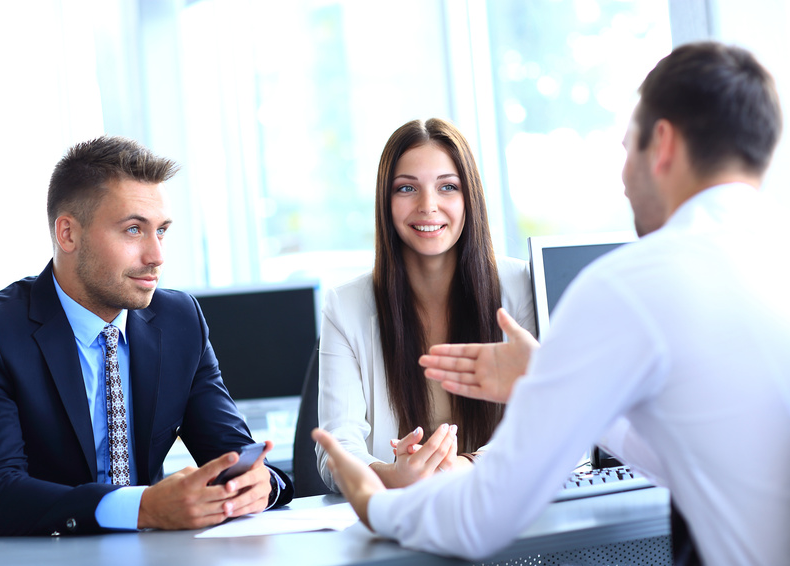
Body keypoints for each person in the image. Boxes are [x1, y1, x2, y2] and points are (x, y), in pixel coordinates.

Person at [313, 41, 790, 565]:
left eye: (627, 147)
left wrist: (371, 501)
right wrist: (548, 382)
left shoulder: (629, 285)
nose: (625, 179)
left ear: (664, 144)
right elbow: (703, 463)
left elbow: (480, 518)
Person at [0, 136, 293, 541]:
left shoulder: (180, 320)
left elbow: (231, 454)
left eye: (161, 231)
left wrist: (260, 486)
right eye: (133, 230)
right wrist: (143, 507)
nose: (157, 255)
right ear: (68, 234)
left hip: (141, 551)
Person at [316, 118, 535, 491]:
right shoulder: (345, 305)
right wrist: (393, 475)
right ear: (386, 202)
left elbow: (552, 425)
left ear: (470, 198)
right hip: (405, 519)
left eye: (447, 187)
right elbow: (336, 448)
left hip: (505, 513)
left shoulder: (522, 287)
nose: (427, 206)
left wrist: (468, 466)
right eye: (406, 189)